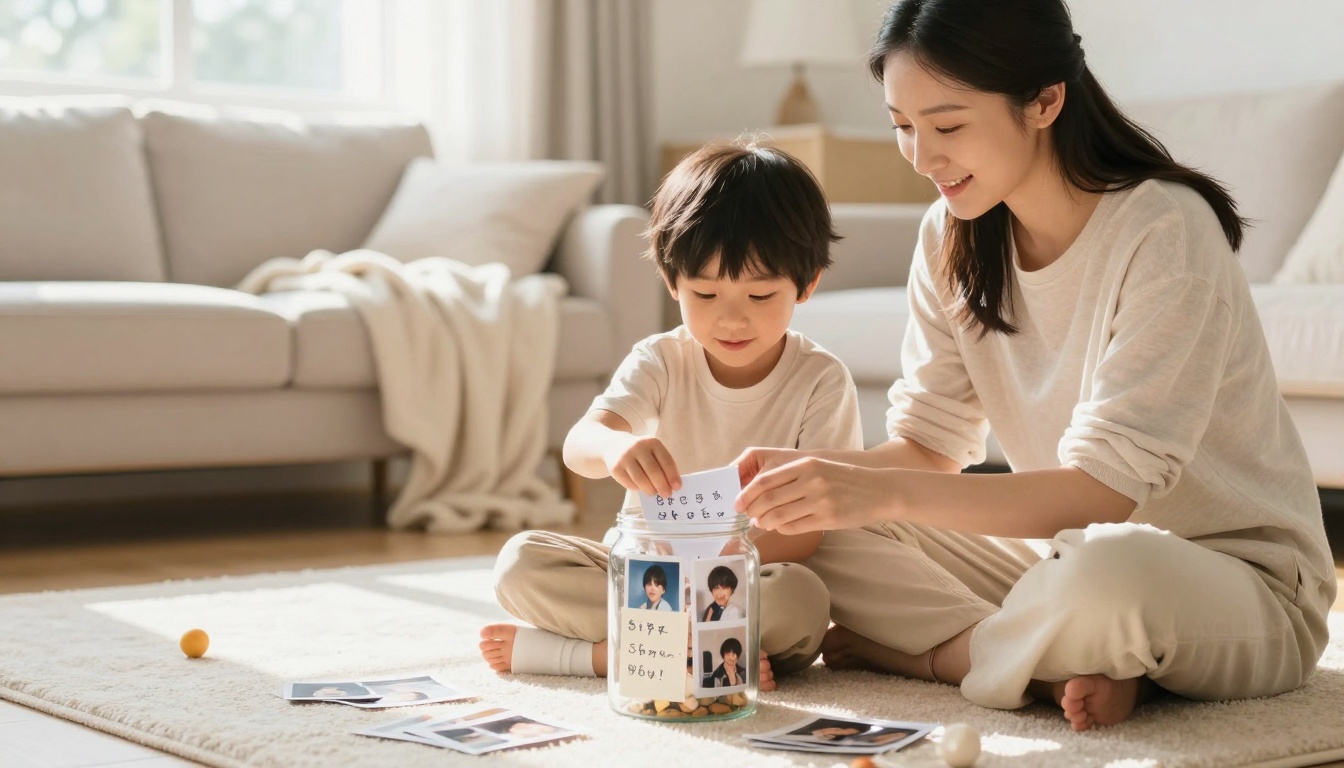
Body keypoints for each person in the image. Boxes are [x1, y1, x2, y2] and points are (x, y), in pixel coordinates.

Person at [734, 0, 1335, 733]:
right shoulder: (949, 237)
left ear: (1046, 98)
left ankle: (943, 655)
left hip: (1233, 584)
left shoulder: (1166, 230)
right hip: (1054, 559)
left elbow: (1104, 494)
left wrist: (875, 494)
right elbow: (928, 447)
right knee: (820, 532)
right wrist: (809, 488)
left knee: (1103, 577)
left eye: (948, 125)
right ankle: (1069, 665)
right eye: (902, 126)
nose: (923, 157)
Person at [478, 140, 866, 690]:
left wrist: (718, 565)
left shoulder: (821, 381)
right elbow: (580, 443)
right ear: (672, 282)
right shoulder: (660, 359)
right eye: (705, 294)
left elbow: (807, 531)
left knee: (802, 601)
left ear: (807, 285)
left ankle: (622, 653)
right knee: (521, 562)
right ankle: (697, 653)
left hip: (740, 578)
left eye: (759, 297)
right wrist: (616, 448)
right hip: (644, 576)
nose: (731, 320)